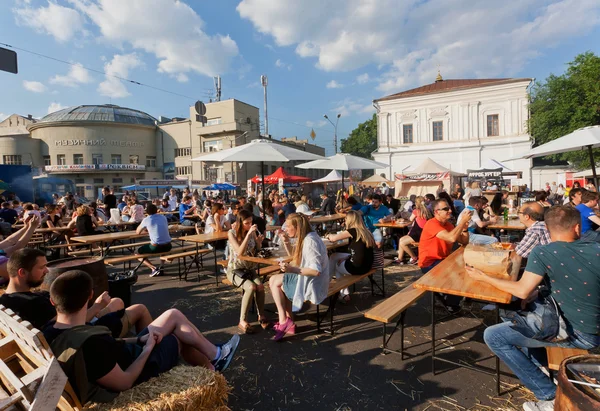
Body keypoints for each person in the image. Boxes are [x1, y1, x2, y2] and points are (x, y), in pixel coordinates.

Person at [466, 206, 600, 411]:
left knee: (494, 336)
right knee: (521, 312)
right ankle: (541, 364)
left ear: (547, 228)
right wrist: (537, 293)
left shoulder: (544, 252)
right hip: (592, 327)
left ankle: (548, 395)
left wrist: (483, 277)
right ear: (577, 228)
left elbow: (521, 290)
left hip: (577, 333)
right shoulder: (595, 248)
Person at [44, 270, 240, 405]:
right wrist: (146, 350)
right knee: (178, 334)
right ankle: (214, 361)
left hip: (127, 353)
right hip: (137, 369)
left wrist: (137, 340)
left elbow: (109, 346)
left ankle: (214, 358)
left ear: (53, 301)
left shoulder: (50, 330)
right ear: (90, 296)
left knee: (173, 315)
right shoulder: (92, 344)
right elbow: (125, 382)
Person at [1, 248, 152, 337]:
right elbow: (69, 326)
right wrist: (97, 307)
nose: (46, 271)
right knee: (140, 308)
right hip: (83, 334)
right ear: (22, 272)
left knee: (117, 301)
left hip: (74, 331)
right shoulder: (33, 303)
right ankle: (145, 346)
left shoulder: (6, 300)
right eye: (41, 268)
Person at [270, 213, 330, 341]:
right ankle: (288, 323)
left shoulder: (310, 241)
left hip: (313, 284)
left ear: (297, 227)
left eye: (288, 226)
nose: (285, 229)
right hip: (313, 280)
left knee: (274, 281)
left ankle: (283, 321)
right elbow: (298, 258)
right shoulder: (308, 237)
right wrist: (286, 243)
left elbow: (315, 271)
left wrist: (291, 269)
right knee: (279, 280)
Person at [419, 199, 471, 312]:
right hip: (429, 263)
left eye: (449, 208)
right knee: (458, 273)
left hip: (443, 260)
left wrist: (465, 229)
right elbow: (451, 238)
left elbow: (464, 241)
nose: (450, 210)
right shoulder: (431, 223)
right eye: (446, 209)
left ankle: (451, 300)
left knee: (467, 269)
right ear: (437, 212)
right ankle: (451, 303)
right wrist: (462, 222)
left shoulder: (448, 225)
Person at [226, 210, 267, 333]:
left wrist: (259, 242)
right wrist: (249, 235)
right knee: (250, 287)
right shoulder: (231, 233)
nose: (250, 225)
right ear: (240, 222)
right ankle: (242, 320)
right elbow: (239, 253)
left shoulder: (251, 232)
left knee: (260, 286)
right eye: (246, 223)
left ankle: (261, 315)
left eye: (251, 222)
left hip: (249, 269)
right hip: (235, 270)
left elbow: (257, 250)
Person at [325, 211, 375, 302]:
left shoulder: (353, 231)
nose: (345, 220)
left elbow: (333, 238)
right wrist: (347, 257)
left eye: (346, 219)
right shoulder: (366, 231)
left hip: (357, 268)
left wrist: (328, 235)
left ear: (350, 220)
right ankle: (332, 286)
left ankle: (339, 292)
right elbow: (360, 251)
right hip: (367, 266)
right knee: (334, 256)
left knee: (336, 265)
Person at [136, 204, 172, 277]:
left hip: (156, 246)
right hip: (168, 245)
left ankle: (153, 268)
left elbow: (137, 232)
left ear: (147, 212)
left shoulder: (147, 219)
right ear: (156, 210)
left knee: (137, 253)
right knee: (163, 246)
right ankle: (161, 267)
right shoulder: (163, 217)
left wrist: (147, 229)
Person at [394, 196, 431, 265]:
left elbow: (410, 219)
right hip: (423, 232)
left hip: (418, 234)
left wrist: (402, 219)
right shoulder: (427, 211)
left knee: (402, 243)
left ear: (416, 203)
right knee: (401, 239)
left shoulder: (416, 211)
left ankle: (414, 257)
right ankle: (400, 259)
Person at [514, 202, 551, 269]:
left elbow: (520, 252)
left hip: (547, 270)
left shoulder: (535, 230)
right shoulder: (543, 225)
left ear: (526, 217)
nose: (518, 214)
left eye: (519, 212)